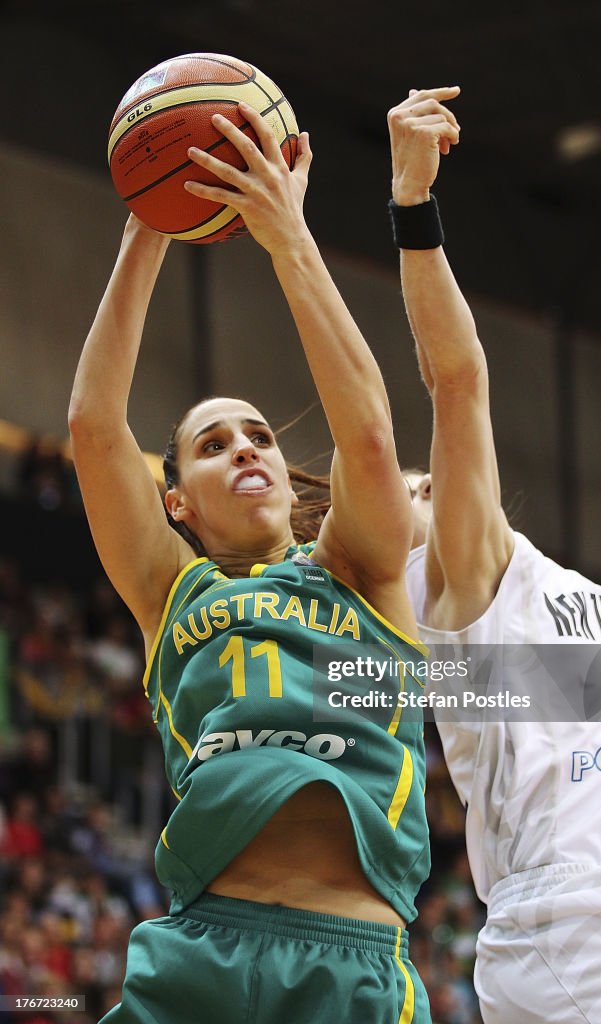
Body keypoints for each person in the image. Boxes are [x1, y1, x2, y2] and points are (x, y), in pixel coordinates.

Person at [69, 100, 432, 1024]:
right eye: (212, 442)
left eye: (259, 435)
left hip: (349, 964)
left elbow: (369, 435)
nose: (244, 448)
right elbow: (92, 430)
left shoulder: (358, 569)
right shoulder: (170, 590)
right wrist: (147, 227)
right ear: (176, 500)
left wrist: (287, 238)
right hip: (195, 956)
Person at [387, 87, 601, 1023]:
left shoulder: (539, 615)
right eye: (418, 485)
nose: (432, 482)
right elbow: (456, 378)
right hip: (586, 921)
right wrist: (412, 208)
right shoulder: (453, 582)